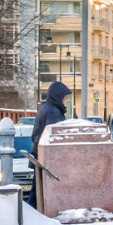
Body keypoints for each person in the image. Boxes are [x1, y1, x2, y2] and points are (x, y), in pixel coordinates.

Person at [26, 81, 69, 209]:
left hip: (40, 156)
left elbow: (36, 135)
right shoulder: (53, 112)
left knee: (36, 192)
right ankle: (29, 216)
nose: (65, 101)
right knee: (37, 195)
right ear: (58, 97)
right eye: (64, 98)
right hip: (48, 159)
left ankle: (30, 214)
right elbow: (55, 137)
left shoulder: (46, 108)